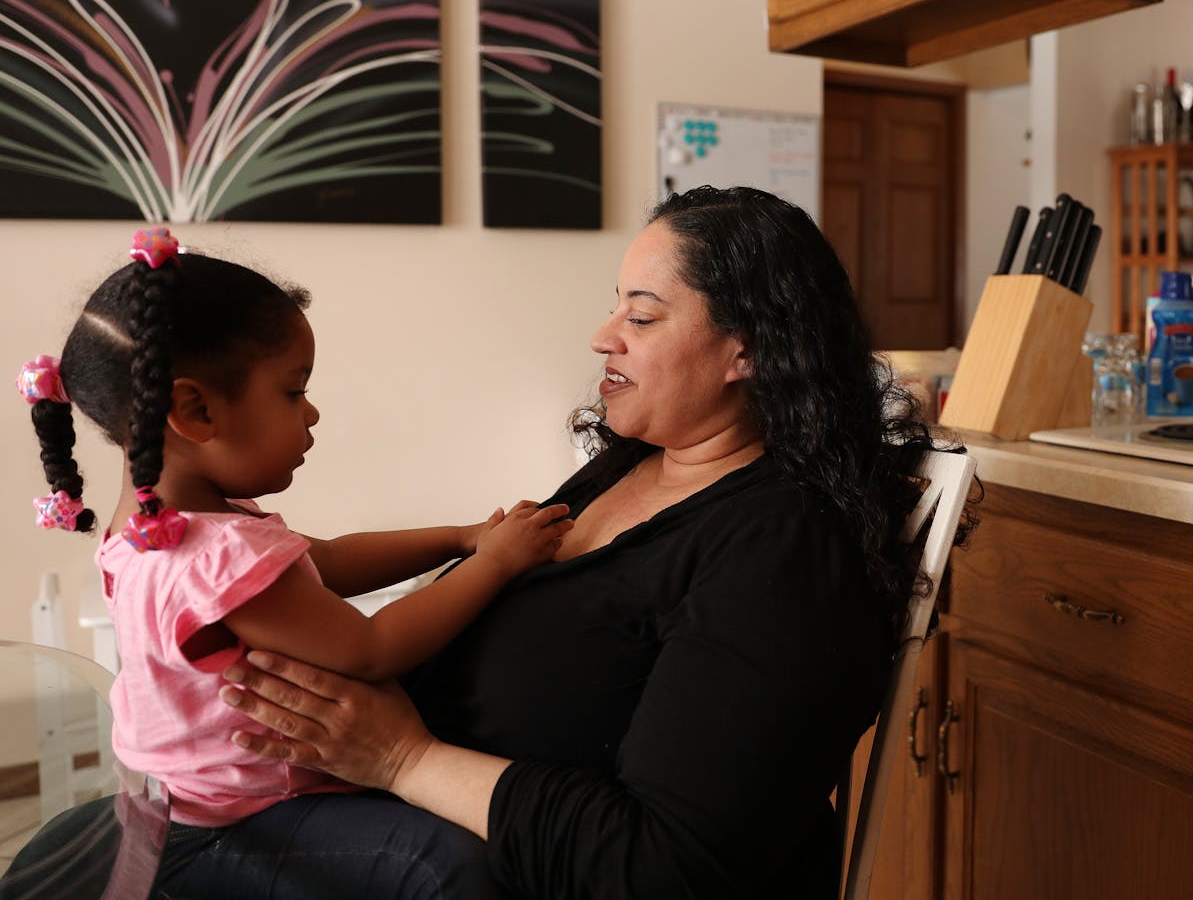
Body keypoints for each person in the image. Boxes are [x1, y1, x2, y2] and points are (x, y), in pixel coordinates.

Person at [211, 185, 960, 899]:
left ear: (749, 349)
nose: (603, 337)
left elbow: (662, 868)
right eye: (616, 309)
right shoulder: (634, 463)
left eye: (642, 316)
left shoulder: (787, 555)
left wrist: (404, 759)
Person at [14, 227, 572, 897]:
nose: (311, 413)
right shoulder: (207, 557)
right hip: (239, 821)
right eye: (291, 391)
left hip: (194, 801)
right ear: (194, 409)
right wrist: (498, 565)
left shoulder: (161, 528)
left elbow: (325, 561)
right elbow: (370, 649)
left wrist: (458, 538)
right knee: (450, 867)